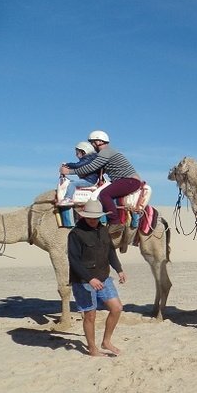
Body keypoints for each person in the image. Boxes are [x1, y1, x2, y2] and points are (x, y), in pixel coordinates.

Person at [67, 199, 127, 357]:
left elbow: (110, 252)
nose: (93, 220)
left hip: (104, 276)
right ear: (84, 216)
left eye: (96, 217)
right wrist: (89, 279)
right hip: (84, 281)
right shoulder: (76, 234)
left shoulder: (103, 229)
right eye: (90, 217)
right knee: (90, 315)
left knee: (117, 308)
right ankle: (92, 348)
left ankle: (106, 341)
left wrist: (119, 269)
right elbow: (74, 261)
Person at [60, 130, 141, 229]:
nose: (91, 145)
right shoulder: (108, 152)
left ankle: (115, 223)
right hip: (124, 180)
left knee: (104, 194)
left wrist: (69, 172)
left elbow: (91, 167)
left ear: (99, 142)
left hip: (129, 181)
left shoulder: (105, 152)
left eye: (92, 142)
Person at [57, 141, 103, 206]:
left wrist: (68, 164)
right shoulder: (91, 158)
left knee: (72, 184)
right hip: (90, 179)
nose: (76, 155)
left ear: (84, 152)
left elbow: (77, 165)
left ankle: (68, 198)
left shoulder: (87, 159)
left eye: (77, 153)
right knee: (72, 182)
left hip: (89, 181)